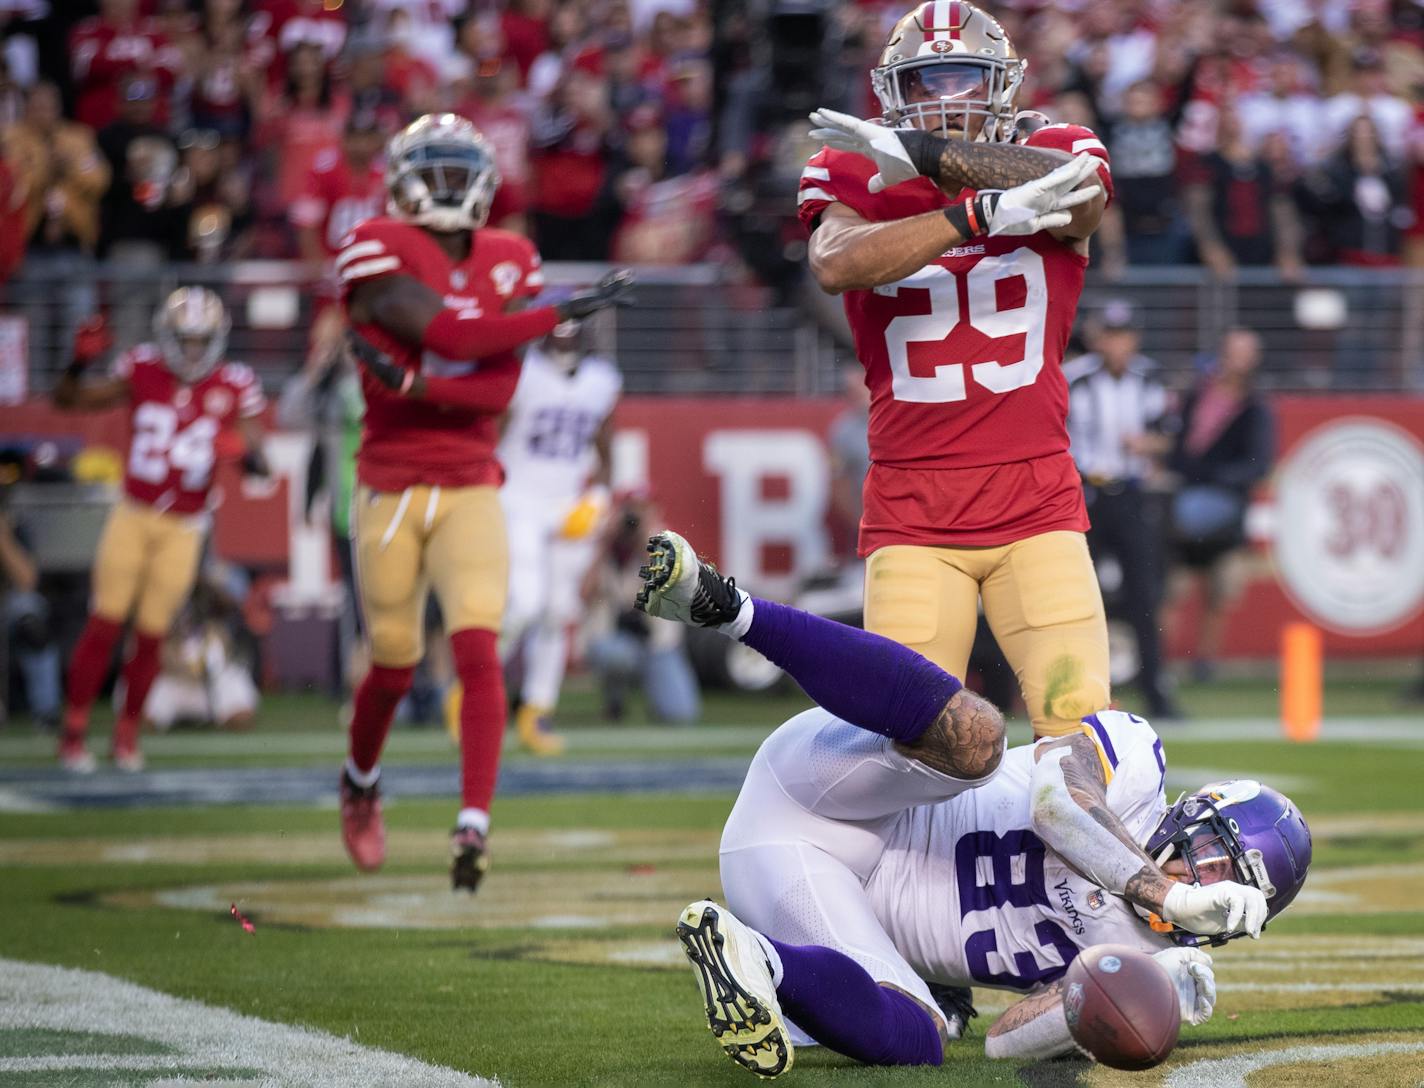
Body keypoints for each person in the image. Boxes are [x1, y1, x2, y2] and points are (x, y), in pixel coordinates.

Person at [636, 530, 1310, 1076]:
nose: (1208, 885)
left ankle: (758, 959)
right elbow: (1056, 806)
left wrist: (1137, 996)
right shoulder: (1134, 762)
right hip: (841, 788)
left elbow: (1004, 1041)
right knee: (981, 738)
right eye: (1218, 860)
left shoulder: (1135, 952)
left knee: (923, 1037)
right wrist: (1162, 892)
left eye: (1232, 892)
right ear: (1196, 815)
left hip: (801, 885)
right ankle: (725, 607)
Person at [797, 1, 1115, 750]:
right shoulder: (850, 166)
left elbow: (1081, 197)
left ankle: (1088, 873)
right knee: (911, 745)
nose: (946, 97)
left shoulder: (1058, 146)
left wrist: (931, 158)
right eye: (926, 80)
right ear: (892, 88)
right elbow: (835, 264)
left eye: (965, 78)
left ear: (1001, 85)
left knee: (1080, 732)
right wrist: (976, 216)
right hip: (912, 507)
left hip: (1035, 496)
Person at [330, 112, 633, 892]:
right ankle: (361, 782)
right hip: (391, 482)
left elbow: (497, 385)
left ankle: (475, 821)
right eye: (431, 172)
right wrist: (558, 312)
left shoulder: (509, 256)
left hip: (469, 479)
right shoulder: (378, 245)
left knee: (478, 642)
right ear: (400, 181)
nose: (444, 187)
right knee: (394, 665)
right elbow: (461, 341)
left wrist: (416, 385)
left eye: (457, 172)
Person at [51, 293, 268, 773]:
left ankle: (126, 736)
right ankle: (73, 733)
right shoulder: (142, 367)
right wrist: (77, 364)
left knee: (151, 635)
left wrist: (239, 449)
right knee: (105, 623)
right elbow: (68, 401)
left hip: (185, 526)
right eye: (184, 340)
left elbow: (260, 462)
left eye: (201, 341)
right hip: (134, 512)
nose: (191, 351)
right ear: (166, 336)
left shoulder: (235, 384)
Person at [495, 312, 621, 755]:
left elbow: (605, 445)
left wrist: (602, 496)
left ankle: (536, 712)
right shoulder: (523, 373)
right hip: (518, 500)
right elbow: (494, 434)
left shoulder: (600, 379)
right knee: (525, 603)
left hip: (565, 505)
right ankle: (475, 687)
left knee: (556, 612)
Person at [1067, 300, 1177, 719]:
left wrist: (1149, 445)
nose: (1117, 344)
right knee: (1076, 595)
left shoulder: (1148, 378)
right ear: (1096, 337)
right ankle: (1075, 692)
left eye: (1124, 334)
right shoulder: (1075, 379)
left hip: (1130, 494)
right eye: (1110, 334)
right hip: (1085, 494)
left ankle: (1156, 692)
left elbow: (1169, 438)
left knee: (1144, 596)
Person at [1166, 329, 1275, 683]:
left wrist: (1212, 478)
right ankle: (1163, 663)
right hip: (1187, 503)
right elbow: (1178, 446)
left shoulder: (1255, 409)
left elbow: (1258, 464)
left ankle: (1204, 664)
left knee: (1219, 594)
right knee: (1170, 591)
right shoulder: (1197, 397)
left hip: (1224, 513)